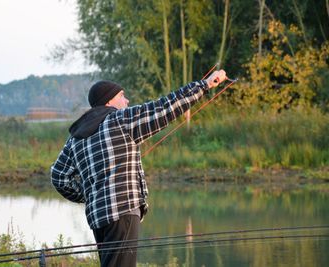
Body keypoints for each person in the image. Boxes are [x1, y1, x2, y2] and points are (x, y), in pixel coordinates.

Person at [51, 70, 227, 267]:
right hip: (123, 211)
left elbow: (58, 176)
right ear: (109, 101)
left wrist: (88, 195)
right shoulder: (120, 120)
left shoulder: (76, 137)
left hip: (98, 218)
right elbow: (164, 108)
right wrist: (205, 85)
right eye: (122, 96)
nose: (126, 101)